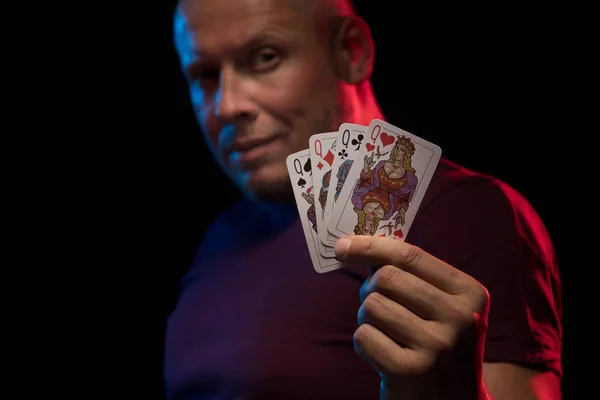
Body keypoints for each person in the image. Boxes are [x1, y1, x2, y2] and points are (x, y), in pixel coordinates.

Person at [165, 0, 563, 399]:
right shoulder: (220, 235)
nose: (228, 105)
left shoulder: (469, 214)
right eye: (205, 75)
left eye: (265, 58)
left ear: (351, 52)